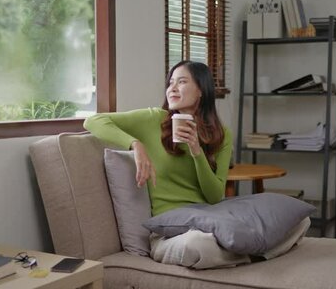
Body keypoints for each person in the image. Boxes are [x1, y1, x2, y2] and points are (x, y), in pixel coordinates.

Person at [84, 60, 250, 268]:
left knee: (291, 223)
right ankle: (246, 250)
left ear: (201, 90)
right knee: (197, 245)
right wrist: (135, 144)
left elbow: (215, 196)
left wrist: (196, 151)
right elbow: (93, 121)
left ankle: (239, 246)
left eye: (181, 82)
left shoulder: (222, 135)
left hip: (208, 221)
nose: (172, 88)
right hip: (170, 233)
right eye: (170, 82)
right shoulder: (154, 119)